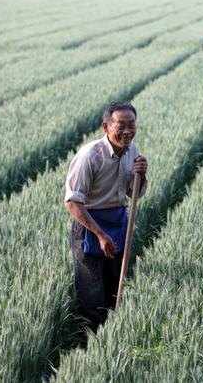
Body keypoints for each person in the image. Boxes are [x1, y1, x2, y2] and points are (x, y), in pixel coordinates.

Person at [64, 101, 148, 331]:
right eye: (121, 125)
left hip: (118, 223)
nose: (127, 131)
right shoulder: (90, 155)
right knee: (92, 295)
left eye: (131, 125)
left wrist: (142, 175)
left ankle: (114, 339)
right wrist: (99, 234)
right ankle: (93, 345)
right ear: (106, 127)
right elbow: (72, 201)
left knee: (115, 288)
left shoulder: (133, 152)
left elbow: (135, 194)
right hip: (90, 226)